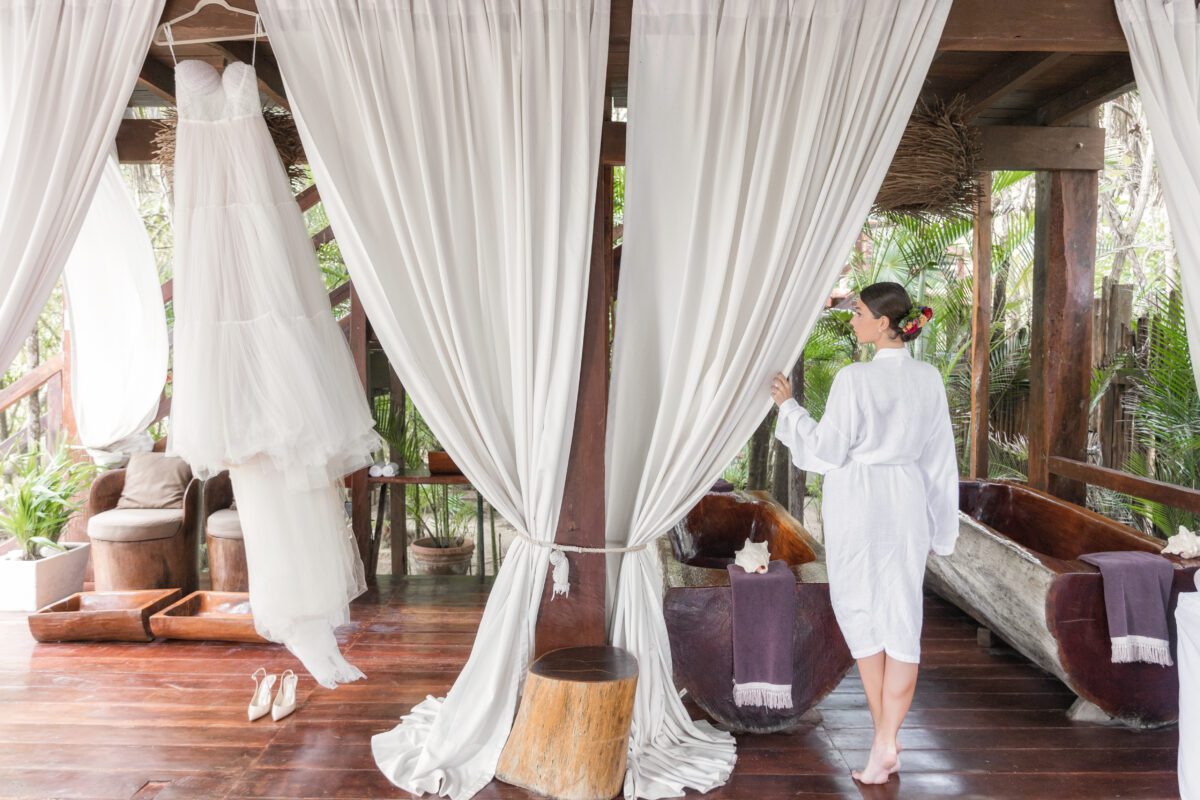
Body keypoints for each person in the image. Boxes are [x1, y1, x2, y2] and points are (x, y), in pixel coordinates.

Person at [770, 281, 959, 785]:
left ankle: (884, 742)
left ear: (883, 324)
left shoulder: (855, 380)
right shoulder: (929, 380)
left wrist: (789, 408)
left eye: (858, 313)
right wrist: (943, 530)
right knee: (901, 617)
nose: (852, 319)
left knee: (862, 615)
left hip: (856, 503)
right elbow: (941, 463)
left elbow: (826, 452)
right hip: (905, 503)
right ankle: (885, 740)